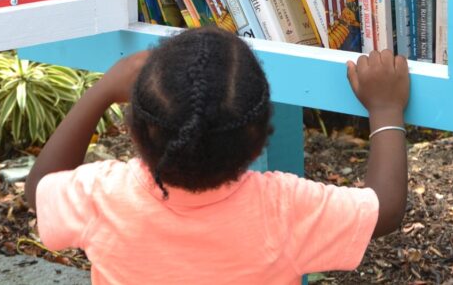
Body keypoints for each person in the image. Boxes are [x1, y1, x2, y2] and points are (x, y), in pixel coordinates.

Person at [25, 26, 410, 284]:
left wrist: (102, 90)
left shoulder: (103, 195)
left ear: (135, 130)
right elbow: (385, 209)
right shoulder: (283, 208)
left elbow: (40, 191)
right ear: (260, 138)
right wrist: (386, 109)